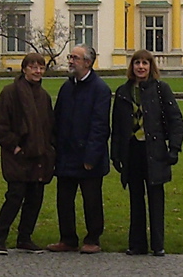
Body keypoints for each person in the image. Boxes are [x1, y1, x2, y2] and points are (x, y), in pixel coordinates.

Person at [111, 50, 183, 257]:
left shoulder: (161, 89)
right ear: (132, 67)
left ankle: (158, 244)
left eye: (144, 63)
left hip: (154, 150)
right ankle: (137, 244)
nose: (141, 67)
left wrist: (174, 148)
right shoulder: (123, 91)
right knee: (136, 198)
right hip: (132, 150)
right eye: (137, 63)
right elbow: (117, 126)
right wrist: (116, 154)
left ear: (151, 67)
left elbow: (176, 120)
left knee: (156, 198)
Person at [47, 45, 111, 254]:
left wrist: (91, 156)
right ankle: (67, 238)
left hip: (88, 155)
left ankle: (93, 238)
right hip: (66, 153)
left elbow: (100, 126)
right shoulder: (67, 87)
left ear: (88, 62)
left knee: (91, 200)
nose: (71, 61)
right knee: (64, 200)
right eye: (70, 57)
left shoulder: (100, 89)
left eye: (75, 58)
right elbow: (57, 119)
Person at [0, 53, 55, 255]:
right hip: (18, 156)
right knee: (15, 197)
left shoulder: (43, 96)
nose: (37, 71)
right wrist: (15, 147)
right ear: (24, 69)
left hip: (39, 155)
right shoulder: (10, 93)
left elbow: (49, 126)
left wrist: (49, 150)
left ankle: (24, 238)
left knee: (35, 198)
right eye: (33, 67)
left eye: (41, 68)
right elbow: (1, 127)